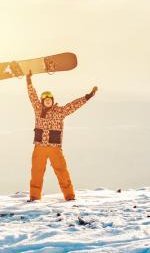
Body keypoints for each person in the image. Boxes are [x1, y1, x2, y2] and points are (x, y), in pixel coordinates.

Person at [26, 70, 98, 201]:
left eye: (49, 100)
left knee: (62, 172)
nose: (47, 102)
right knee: (36, 173)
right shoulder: (38, 110)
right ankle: (34, 198)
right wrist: (29, 80)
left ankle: (70, 197)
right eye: (45, 100)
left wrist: (87, 97)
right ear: (42, 102)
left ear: (52, 101)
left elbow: (73, 106)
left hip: (54, 148)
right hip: (39, 147)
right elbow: (32, 96)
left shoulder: (59, 112)